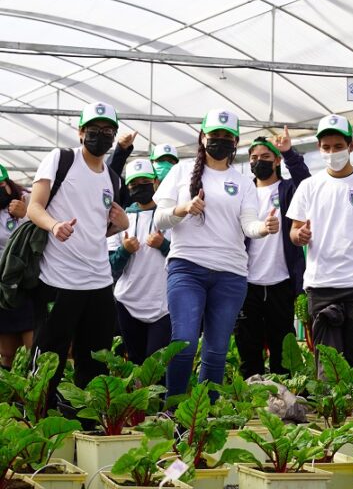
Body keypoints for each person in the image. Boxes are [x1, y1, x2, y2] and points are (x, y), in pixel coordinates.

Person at [153, 109, 279, 398]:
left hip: (231, 275)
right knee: (183, 341)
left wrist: (265, 228)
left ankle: (203, 415)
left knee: (217, 349)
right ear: (202, 137)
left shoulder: (243, 182)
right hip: (187, 268)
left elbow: (248, 226)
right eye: (215, 136)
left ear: (235, 142)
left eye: (227, 137)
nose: (220, 141)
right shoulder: (181, 171)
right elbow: (159, 220)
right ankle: (174, 408)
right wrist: (183, 209)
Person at [27, 102, 129, 404]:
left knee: (95, 359)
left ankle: (88, 423)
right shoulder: (61, 160)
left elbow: (96, 231)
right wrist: (54, 225)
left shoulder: (112, 179)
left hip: (98, 281)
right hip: (59, 280)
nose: (101, 135)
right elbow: (35, 207)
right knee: (49, 356)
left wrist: (119, 226)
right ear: (81, 131)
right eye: (95, 130)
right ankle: (37, 418)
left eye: (108, 131)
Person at [287, 114, 353, 368]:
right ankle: (334, 408)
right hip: (321, 283)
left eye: (338, 146)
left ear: (351, 146)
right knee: (327, 361)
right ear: (319, 148)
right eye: (326, 148)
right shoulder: (309, 186)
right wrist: (299, 235)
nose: (332, 152)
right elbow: (294, 231)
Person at [235, 126, 310, 378]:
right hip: (247, 281)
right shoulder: (243, 192)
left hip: (281, 280)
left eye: (266, 158)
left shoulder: (288, 190)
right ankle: (251, 393)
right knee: (248, 343)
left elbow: (306, 182)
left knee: (282, 343)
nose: (259, 162)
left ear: (277, 161)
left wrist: (290, 153)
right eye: (254, 158)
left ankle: (284, 392)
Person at [108, 159, 171, 365]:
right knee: (135, 360)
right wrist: (124, 251)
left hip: (163, 304)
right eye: (134, 184)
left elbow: (184, 258)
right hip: (128, 302)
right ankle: (138, 397)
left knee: (156, 364)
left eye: (144, 182)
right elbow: (110, 268)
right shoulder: (121, 220)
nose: (139, 187)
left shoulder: (168, 216)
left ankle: (158, 398)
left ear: (155, 181)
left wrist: (163, 245)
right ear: (128, 187)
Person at [0, 164, 32, 368]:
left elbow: (44, 233)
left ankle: (41, 394)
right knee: (7, 352)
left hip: (28, 285)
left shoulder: (27, 200)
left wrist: (25, 215)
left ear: (9, 183)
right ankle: (10, 397)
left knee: (34, 347)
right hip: (3, 288)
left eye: (1, 184)